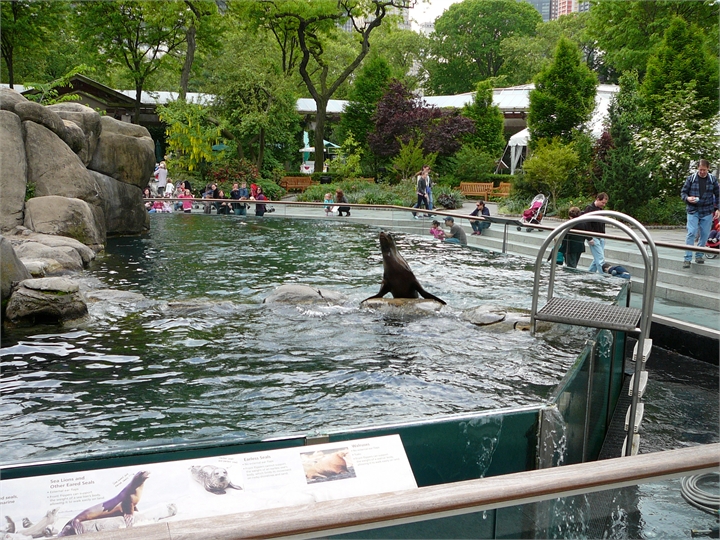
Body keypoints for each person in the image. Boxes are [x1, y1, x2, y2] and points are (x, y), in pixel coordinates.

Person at [681, 159, 719, 268]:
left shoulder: (712, 180)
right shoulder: (691, 179)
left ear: (708, 168)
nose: (702, 172)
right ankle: (687, 258)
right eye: (700, 170)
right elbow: (683, 193)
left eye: (704, 170)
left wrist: (718, 209)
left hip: (707, 210)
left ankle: (699, 255)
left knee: (705, 234)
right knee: (691, 232)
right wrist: (688, 198)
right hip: (693, 210)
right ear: (697, 168)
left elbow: (718, 195)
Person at [583, 192, 609, 273]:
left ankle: (590, 273)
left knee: (597, 258)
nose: (603, 205)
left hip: (600, 236)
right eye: (602, 202)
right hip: (593, 236)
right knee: (600, 259)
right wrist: (589, 238)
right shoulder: (589, 209)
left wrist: (603, 236)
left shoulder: (600, 210)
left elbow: (602, 224)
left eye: (605, 203)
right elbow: (586, 224)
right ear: (598, 199)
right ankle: (603, 275)